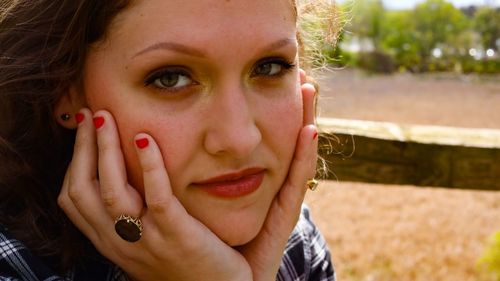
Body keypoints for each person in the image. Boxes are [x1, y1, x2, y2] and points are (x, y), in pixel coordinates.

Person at [0, 0, 339, 280]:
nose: (240, 139)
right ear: (66, 89)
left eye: (269, 67)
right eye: (170, 78)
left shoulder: (297, 248)